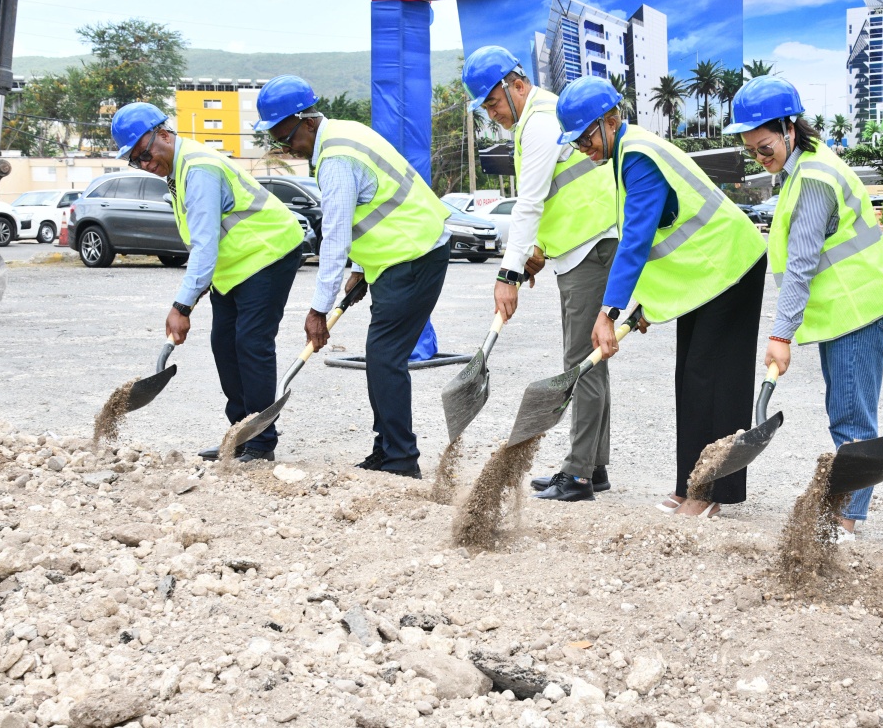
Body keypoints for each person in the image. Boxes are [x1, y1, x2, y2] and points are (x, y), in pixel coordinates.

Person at [555, 76, 767, 517]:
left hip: (731, 267)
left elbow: (636, 240)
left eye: (585, 138)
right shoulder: (624, 155)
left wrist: (608, 313)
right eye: (575, 144)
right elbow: (662, 242)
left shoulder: (637, 157)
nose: (583, 149)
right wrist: (643, 305)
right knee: (689, 379)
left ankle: (711, 493)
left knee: (714, 382)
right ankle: (689, 483)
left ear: (609, 121)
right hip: (704, 276)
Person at [725, 77, 883, 541]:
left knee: (850, 417)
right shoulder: (803, 168)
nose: (760, 159)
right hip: (849, 309)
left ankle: (845, 520)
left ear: (789, 127)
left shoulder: (814, 179)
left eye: (765, 148)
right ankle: (845, 512)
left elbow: (802, 263)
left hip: (857, 310)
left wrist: (781, 335)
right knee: (847, 411)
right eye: (752, 152)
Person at [254, 76, 450, 479]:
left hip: (413, 255)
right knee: (382, 357)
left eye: (285, 135)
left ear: (306, 121)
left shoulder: (336, 159)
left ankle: (400, 458)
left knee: (384, 358)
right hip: (399, 256)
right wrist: (362, 270)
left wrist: (318, 310)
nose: (284, 146)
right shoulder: (343, 134)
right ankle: (387, 451)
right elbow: (375, 203)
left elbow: (336, 236)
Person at [461, 47, 620, 502]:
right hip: (582, 247)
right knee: (591, 361)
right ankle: (593, 465)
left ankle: (579, 473)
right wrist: (537, 252)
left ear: (516, 84)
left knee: (581, 363)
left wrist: (507, 275)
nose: (492, 114)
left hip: (592, 247)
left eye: (492, 103)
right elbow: (554, 198)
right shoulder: (540, 118)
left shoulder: (541, 120)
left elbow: (529, 203)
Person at [110, 103, 304, 463]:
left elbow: (204, 244)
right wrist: (191, 297)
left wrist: (182, 306)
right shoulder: (176, 169)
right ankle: (239, 436)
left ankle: (261, 444)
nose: (145, 164)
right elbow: (206, 243)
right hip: (234, 265)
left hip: (269, 252)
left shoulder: (199, 168)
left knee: (251, 343)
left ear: (164, 134)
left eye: (145, 154)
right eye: (135, 161)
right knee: (224, 346)